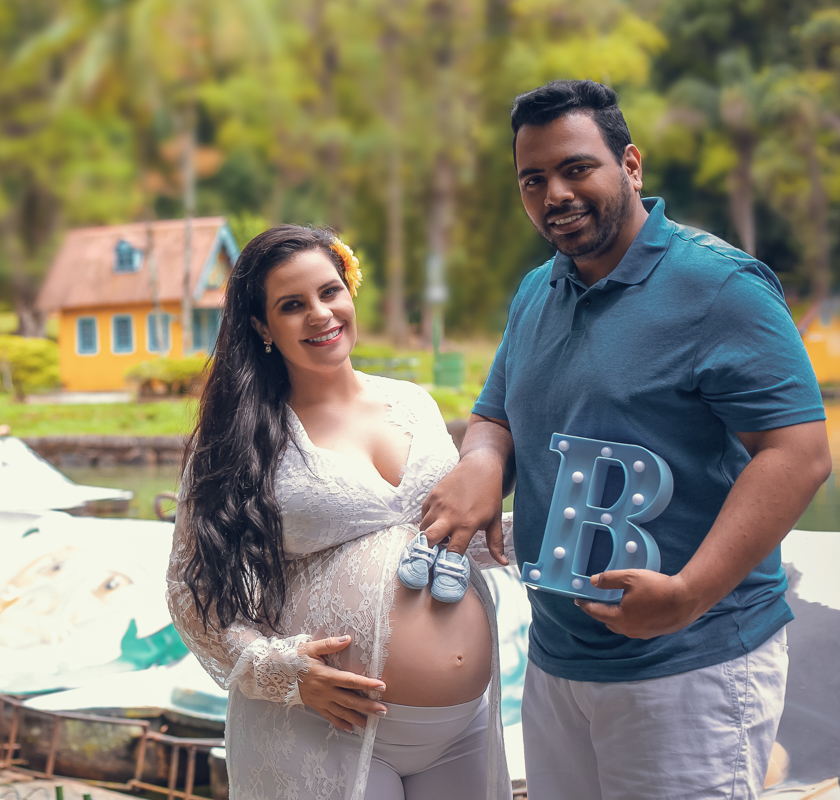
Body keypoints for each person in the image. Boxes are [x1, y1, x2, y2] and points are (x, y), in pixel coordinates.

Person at [422, 79, 832, 800]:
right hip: (557, 662)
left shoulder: (721, 287)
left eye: (577, 168)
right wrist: (483, 461)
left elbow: (798, 454)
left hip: (690, 664)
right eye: (533, 180)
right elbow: (496, 415)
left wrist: (689, 594)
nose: (555, 194)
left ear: (631, 166)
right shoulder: (535, 292)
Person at [166, 225, 512, 800]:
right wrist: (283, 674)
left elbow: (454, 539)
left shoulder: (413, 403)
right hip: (320, 728)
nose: (321, 315)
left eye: (330, 292)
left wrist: (552, 530)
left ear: (350, 290)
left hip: (460, 727)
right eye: (292, 305)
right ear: (262, 327)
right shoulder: (240, 437)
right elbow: (189, 588)